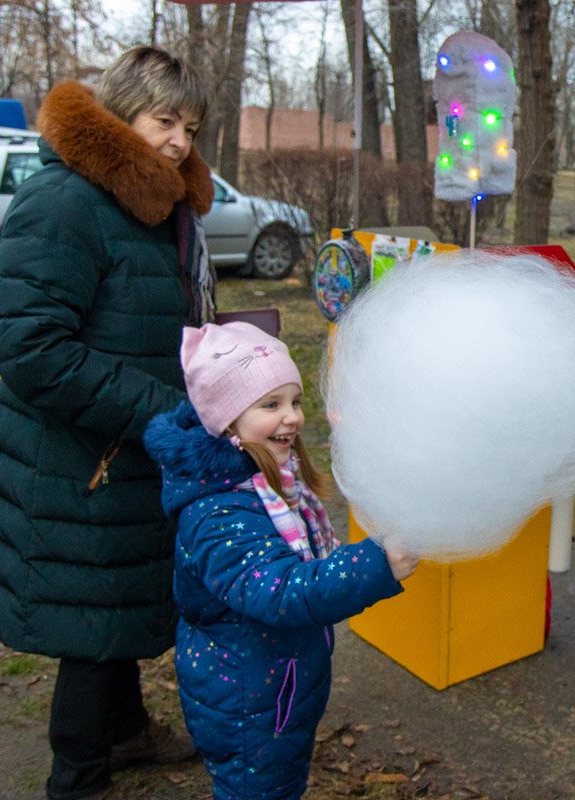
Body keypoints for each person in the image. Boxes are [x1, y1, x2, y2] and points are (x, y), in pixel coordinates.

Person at [0, 46, 218, 800]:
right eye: (164, 120)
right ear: (120, 115)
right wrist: (162, 412)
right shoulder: (67, 201)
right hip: (78, 457)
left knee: (118, 604)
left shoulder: (154, 205)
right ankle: (77, 778)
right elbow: (30, 346)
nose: (179, 141)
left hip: (127, 451)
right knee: (90, 626)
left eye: (191, 125)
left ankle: (127, 733)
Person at [143, 321, 418, 800]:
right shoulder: (217, 511)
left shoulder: (264, 473)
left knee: (279, 783)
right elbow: (280, 590)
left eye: (294, 401)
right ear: (227, 420)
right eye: (271, 405)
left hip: (274, 684)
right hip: (247, 700)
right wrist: (375, 565)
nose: (292, 417)